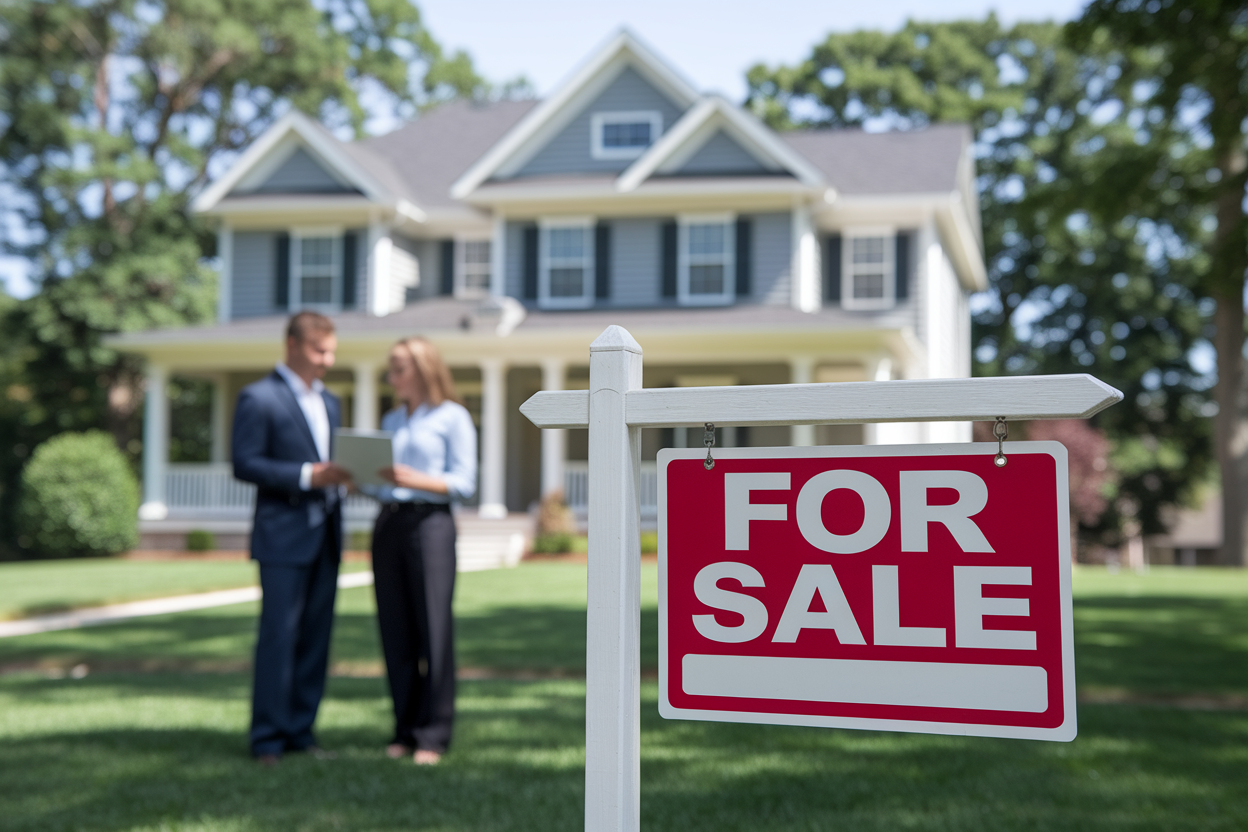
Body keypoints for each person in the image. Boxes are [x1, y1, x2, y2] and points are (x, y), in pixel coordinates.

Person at [232, 311, 353, 765]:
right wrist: (307, 475)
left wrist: (343, 476)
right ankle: (267, 738)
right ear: (292, 345)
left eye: (331, 352)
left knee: (316, 640)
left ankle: (301, 732)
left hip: (327, 535)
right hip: (283, 537)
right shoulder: (258, 397)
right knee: (278, 637)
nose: (327, 361)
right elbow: (244, 462)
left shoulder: (331, 401)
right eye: (320, 351)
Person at [369, 337, 477, 765]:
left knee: (433, 628)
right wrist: (361, 478)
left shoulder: (453, 417)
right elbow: (385, 483)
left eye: (399, 368)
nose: (391, 376)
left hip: (431, 525)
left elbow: (464, 483)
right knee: (395, 631)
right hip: (389, 523)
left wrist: (412, 478)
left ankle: (434, 734)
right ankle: (404, 729)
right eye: (390, 368)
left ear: (423, 368)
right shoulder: (392, 418)